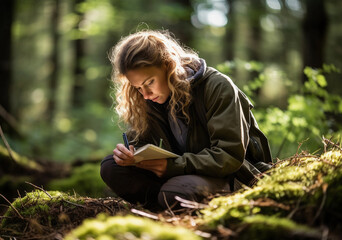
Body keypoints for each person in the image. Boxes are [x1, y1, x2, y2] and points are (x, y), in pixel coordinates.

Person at [100, 29, 272, 211]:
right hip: (183, 175)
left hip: (234, 176)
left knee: (175, 192)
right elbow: (141, 143)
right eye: (138, 87)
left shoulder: (218, 87)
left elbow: (229, 157)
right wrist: (129, 155)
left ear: (168, 65)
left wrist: (172, 167)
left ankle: (169, 204)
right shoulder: (151, 99)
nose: (145, 94)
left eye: (149, 82)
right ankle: (165, 207)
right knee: (111, 167)